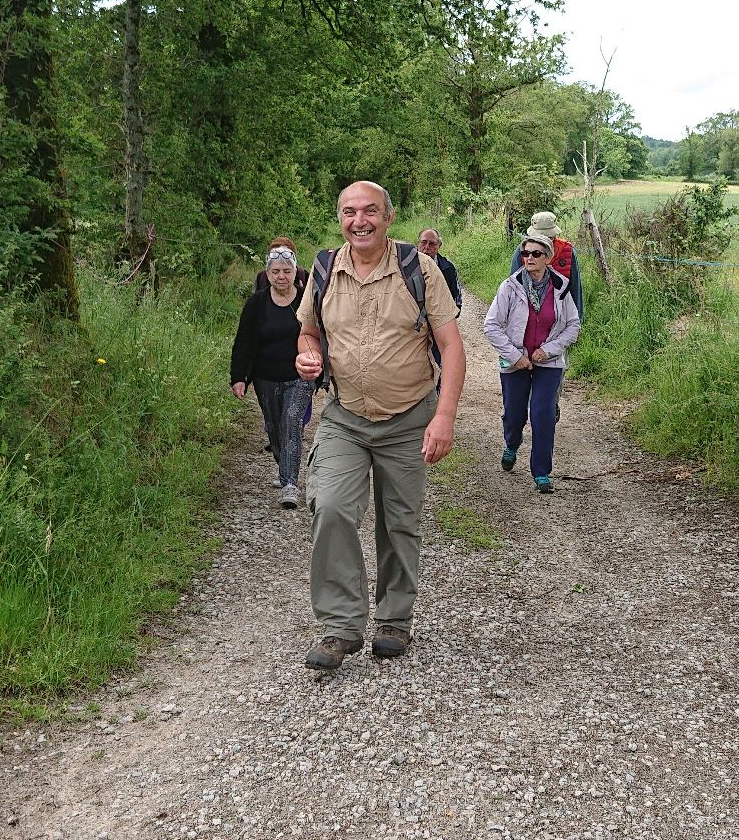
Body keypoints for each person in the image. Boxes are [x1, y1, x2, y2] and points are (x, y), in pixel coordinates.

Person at [294, 181, 464, 670]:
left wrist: (444, 417)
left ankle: (394, 620)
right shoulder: (324, 269)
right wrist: (307, 356)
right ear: (340, 219)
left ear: (388, 217)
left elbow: (452, 346)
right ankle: (341, 626)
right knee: (330, 507)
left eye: (370, 211)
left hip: (408, 418)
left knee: (399, 521)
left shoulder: (419, 269)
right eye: (349, 212)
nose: (359, 221)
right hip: (345, 417)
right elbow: (308, 333)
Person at [483, 228, 581, 494]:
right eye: (525, 253)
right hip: (516, 361)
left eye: (536, 254)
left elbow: (573, 325)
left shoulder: (561, 287)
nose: (529, 258)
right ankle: (511, 444)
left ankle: (541, 472)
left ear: (548, 257)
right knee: (514, 414)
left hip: (549, 362)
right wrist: (516, 356)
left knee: (543, 413)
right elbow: (491, 326)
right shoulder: (509, 286)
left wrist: (548, 350)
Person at [230, 244, 314, 510]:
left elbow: (321, 334)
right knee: (275, 427)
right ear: (267, 274)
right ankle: (284, 465)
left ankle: (290, 484)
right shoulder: (256, 303)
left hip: (300, 376)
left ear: (295, 272)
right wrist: (238, 376)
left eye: (287, 271)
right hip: (265, 377)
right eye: (276, 271)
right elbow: (243, 341)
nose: (281, 276)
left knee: (291, 421)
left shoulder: (306, 300)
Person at [509, 210, 584, 318]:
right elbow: (514, 285)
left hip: (560, 315)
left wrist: (577, 318)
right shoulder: (523, 251)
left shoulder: (567, 251)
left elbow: (575, 287)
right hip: (528, 314)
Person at [416, 228, 464, 307]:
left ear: (439, 246)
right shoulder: (405, 263)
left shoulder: (448, 267)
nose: (427, 247)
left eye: (432, 244)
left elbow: (456, 299)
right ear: (418, 243)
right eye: (423, 242)